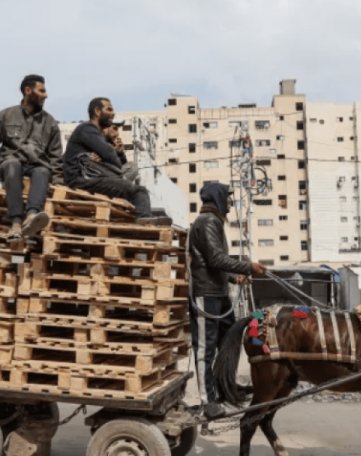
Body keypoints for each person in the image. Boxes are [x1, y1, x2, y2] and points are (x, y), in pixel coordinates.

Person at [188, 182, 267, 419]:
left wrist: (235, 277)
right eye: (228, 199)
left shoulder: (214, 223)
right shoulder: (207, 222)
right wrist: (248, 267)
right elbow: (215, 258)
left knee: (227, 344)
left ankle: (226, 388)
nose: (230, 203)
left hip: (218, 292)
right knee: (205, 350)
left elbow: (216, 263)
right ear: (218, 198)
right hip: (206, 294)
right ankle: (207, 401)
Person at [0, 74, 63, 240]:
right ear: (28, 91)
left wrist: (59, 183)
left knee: (43, 171)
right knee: (11, 165)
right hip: (11, 161)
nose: (46, 95)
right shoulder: (6, 116)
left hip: (36, 164)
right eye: (41, 91)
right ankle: (15, 222)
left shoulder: (50, 123)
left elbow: (56, 157)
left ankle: (32, 216)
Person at [63, 97, 169, 225]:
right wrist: (107, 154)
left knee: (130, 182)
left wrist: (110, 154)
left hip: (89, 177)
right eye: (109, 109)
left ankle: (145, 217)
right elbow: (111, 157)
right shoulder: (87, 129)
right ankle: (144, 222)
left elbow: (116, 161)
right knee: (139, 191)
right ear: (97, 111)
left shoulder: (95, 134)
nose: (112, 113)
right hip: (82, 180)